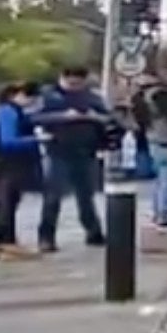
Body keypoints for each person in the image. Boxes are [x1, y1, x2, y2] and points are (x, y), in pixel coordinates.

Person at [33, 64, 115, 252]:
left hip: (86, 152)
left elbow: (108, 119)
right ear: (62, 78)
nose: (75, 87)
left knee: (86, 196)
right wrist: (63, 116)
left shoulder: (92, 97)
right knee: (53, 197)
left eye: (78, 84)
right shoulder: (49, 96)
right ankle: (46, 237)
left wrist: (95, 117)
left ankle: (93, 233)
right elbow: (34, 118)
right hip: (58, 151)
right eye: (71, 83)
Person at [0, 82, 45, 261]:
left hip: (6, 161)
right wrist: (37, 139)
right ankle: (7, 243)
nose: (32, 101)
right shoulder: (8, 112)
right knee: (8, 202)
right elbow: (9, 141)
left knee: (5, 202)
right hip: (9, 162)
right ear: (16, 95)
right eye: (30, 96)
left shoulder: (3, 110)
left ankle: (2, 243)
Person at [133, 66, 167, 227]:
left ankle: (158, 212)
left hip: (154, 140)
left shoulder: (142, 97)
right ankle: (165, 214)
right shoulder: (162, 95)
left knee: (160, 180)